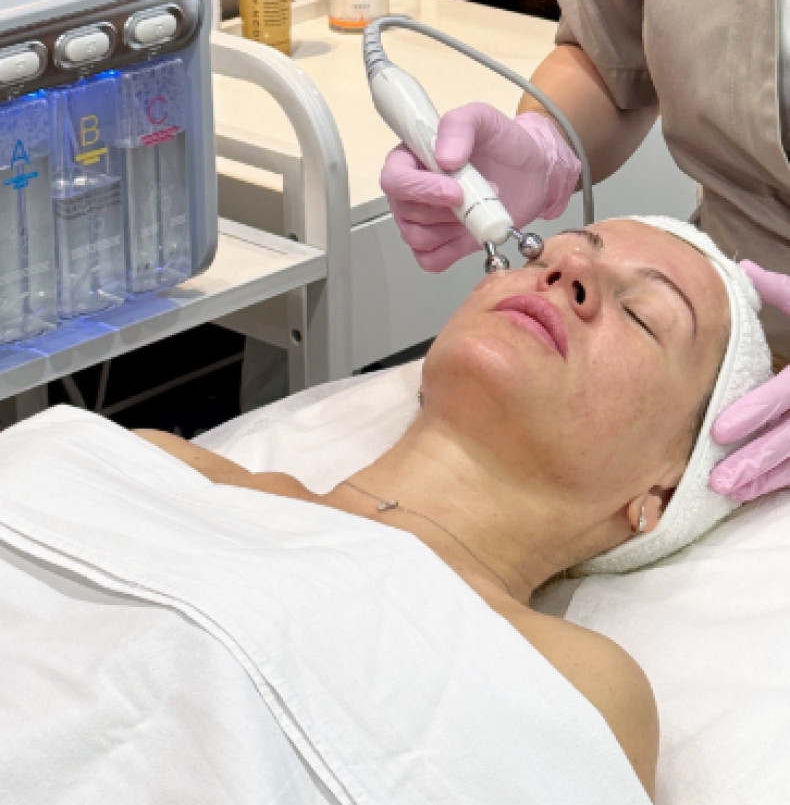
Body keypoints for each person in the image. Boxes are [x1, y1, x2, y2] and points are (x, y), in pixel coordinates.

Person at [137, 216, 773, 802]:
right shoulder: (164, 469)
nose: (567, 271)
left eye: (643, 314)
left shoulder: (573, 683)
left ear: (663, 493)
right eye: (543, 254)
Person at [380, 0, 790, 505]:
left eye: (641, 310)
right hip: (726, 370)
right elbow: (610, 52)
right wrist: (544, 145)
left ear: (651, 504)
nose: (565, 273)